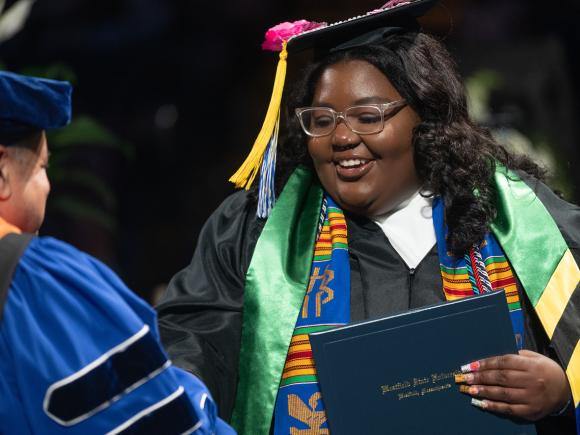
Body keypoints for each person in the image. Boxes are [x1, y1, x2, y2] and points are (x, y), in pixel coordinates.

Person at [157, 0, 580, 434]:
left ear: (427, 117)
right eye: (321, 119)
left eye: (368, 116)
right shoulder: (258, 230)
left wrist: (563, 391)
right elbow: (193, 345)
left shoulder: (520, 221)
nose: (341, 137)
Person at [0, 71, 235, 434]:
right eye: (43, 167)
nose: (48, 187)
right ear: (2, 173)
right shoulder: (37, 281)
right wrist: (191, 394)